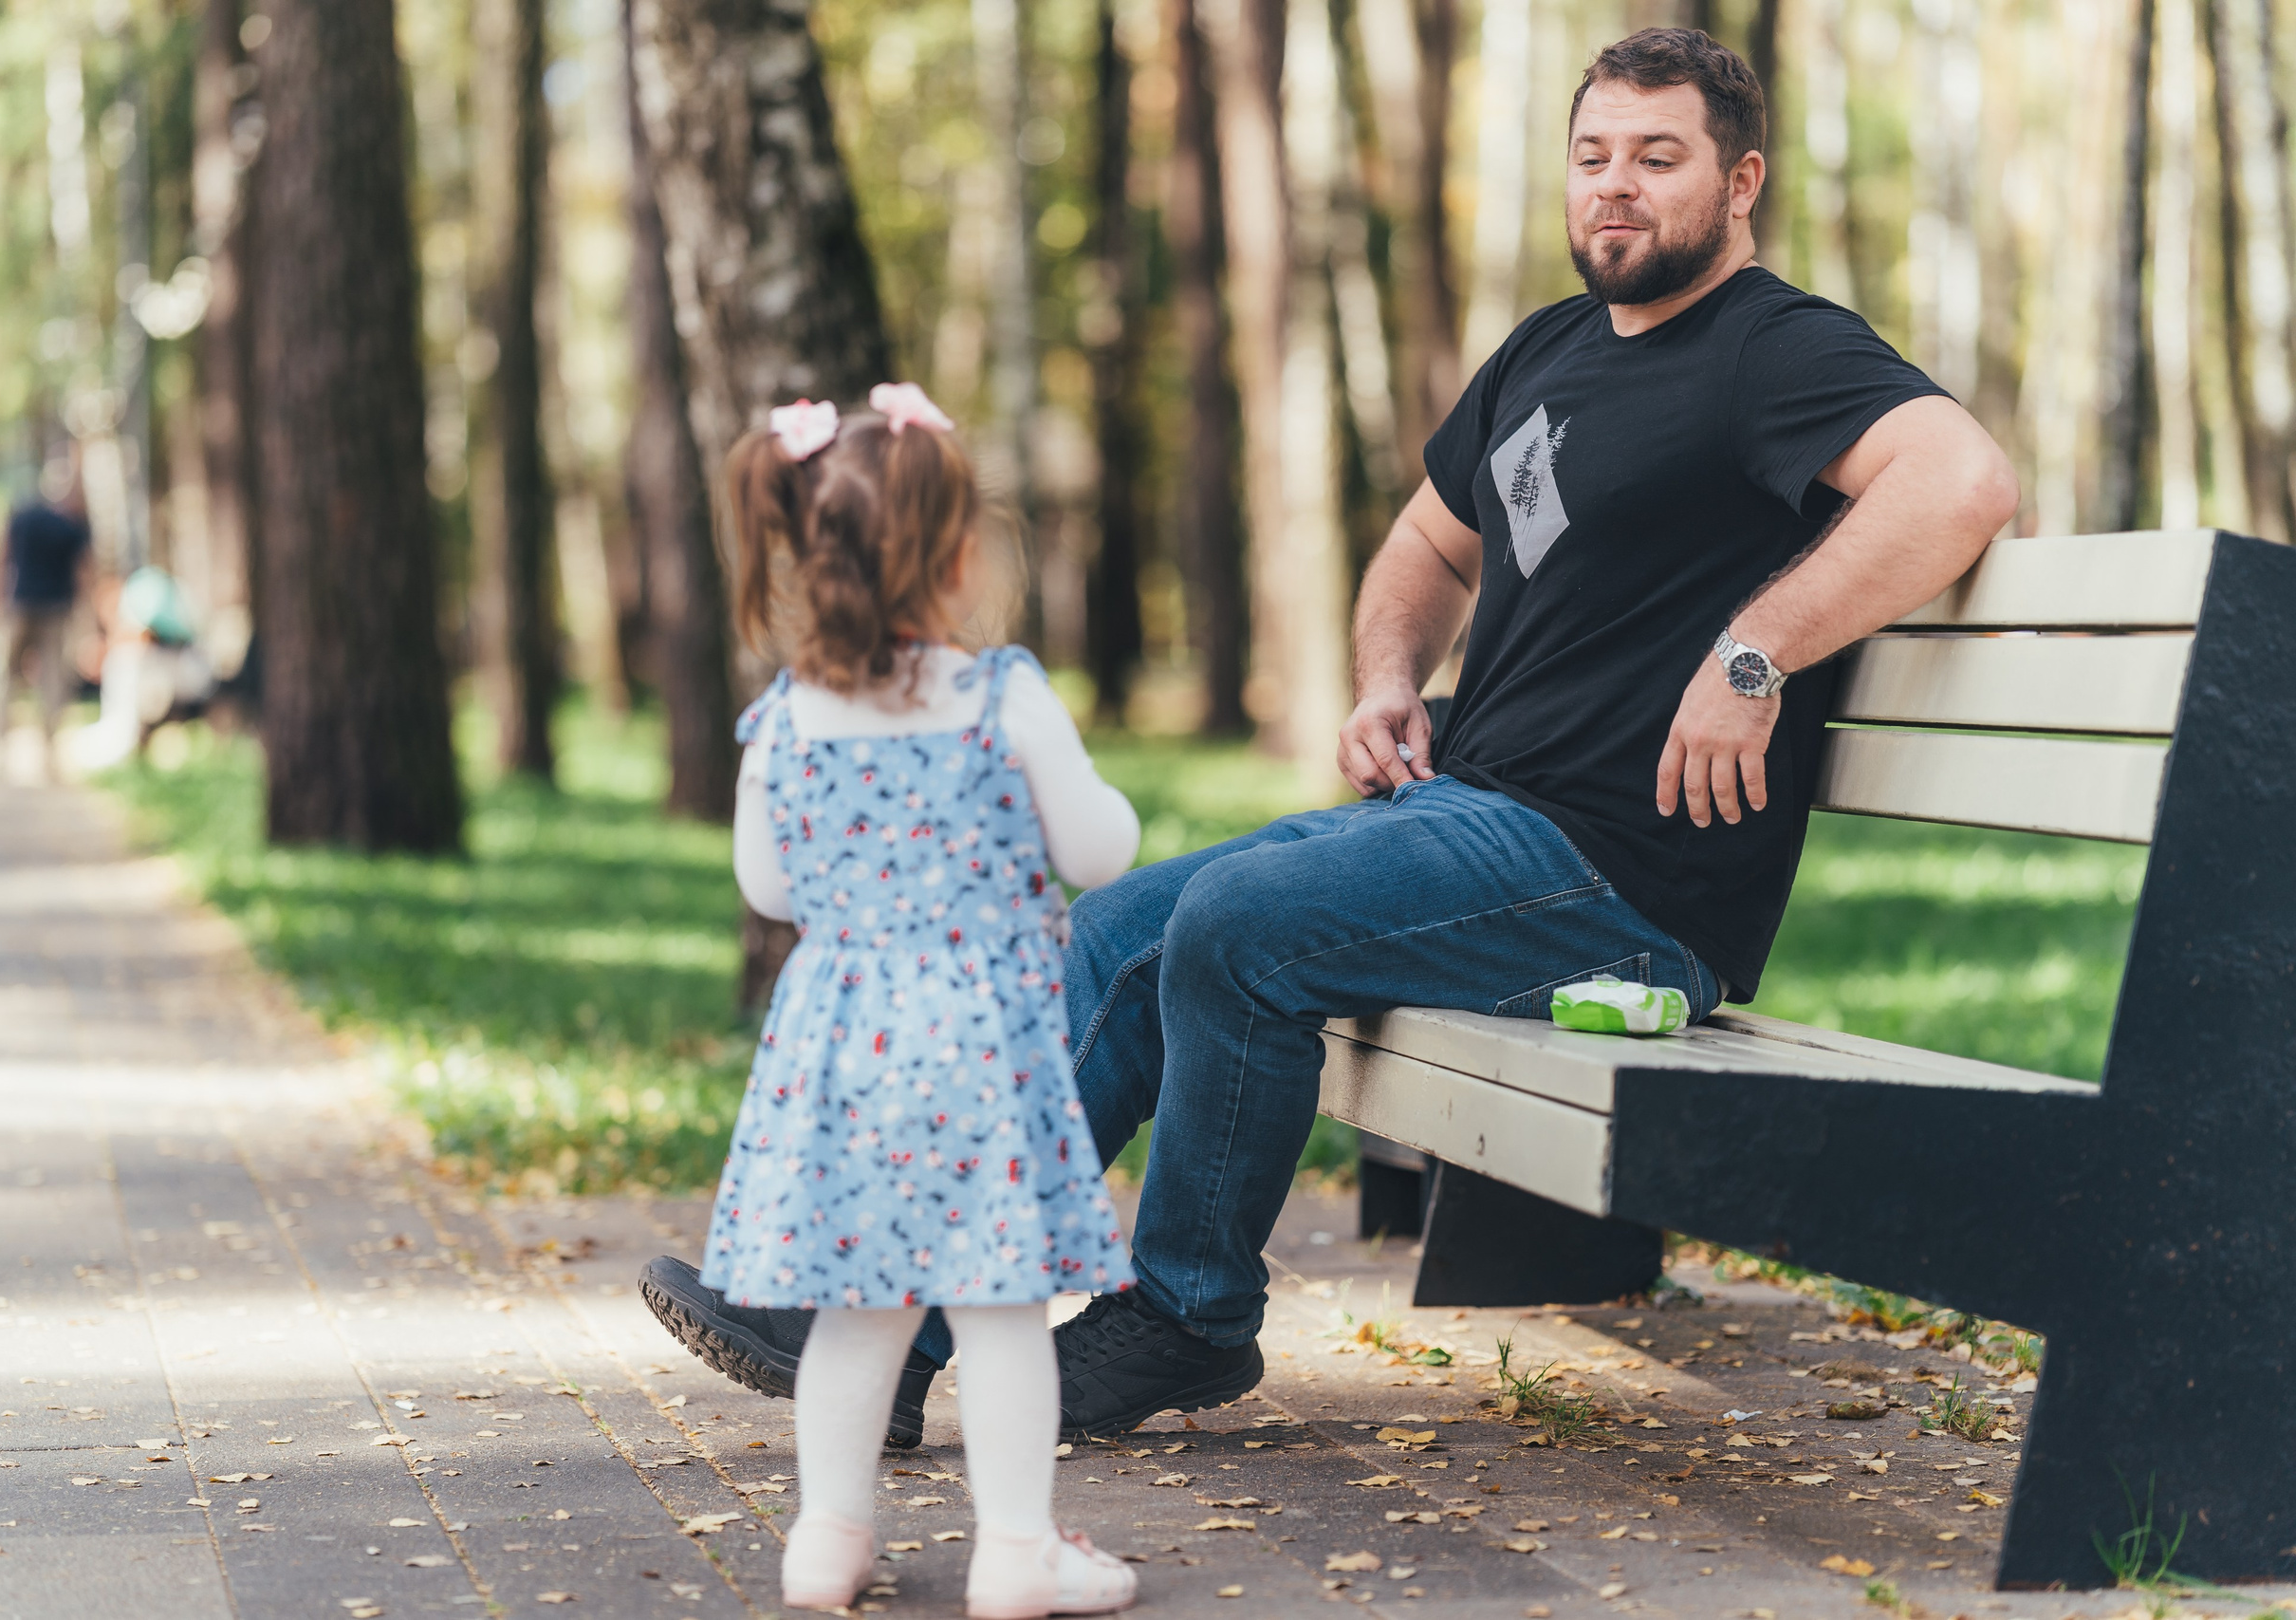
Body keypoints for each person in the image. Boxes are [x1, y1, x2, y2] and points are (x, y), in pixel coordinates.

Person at [646, 29, 2018, 1442]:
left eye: (1657, 159)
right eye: (1593, 155)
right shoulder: (1547, 349)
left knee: (1240, 919)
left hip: (1629, 884)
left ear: (1741, 182)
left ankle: (1187, 1315)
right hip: (1469, 819)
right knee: (1118, 925)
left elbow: (1964, 479)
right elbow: (1423, 543)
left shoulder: (1773, 348)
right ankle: (883, 1322)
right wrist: (1383, 677)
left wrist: (1755, 653)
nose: (1616, 187)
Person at [646, 384, 1142, 1616]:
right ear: (961, 553)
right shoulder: (1002, 698)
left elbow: (768, 880)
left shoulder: (784, 723)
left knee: (857, 1309)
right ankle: (1017, 1547)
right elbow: (1102, 851)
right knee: (1000, 1310)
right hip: (981, 1057)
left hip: (844, 1061)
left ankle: (826, 1536)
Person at [0, 482, 96, 781]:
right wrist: (88, 616)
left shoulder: (23, 518)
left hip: (20, 605)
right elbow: (84, 571)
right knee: (52, 679)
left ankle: (0, 751)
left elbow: (1, 559)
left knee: (8, 677)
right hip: (57, 609)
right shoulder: (71, 527)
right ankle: (48, 756)